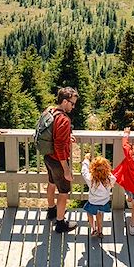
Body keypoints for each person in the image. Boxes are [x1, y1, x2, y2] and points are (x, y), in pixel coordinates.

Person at [44, 87, 79, 234]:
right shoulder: (64, 119)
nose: (73, 106)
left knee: (52, 183)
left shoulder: (50, 111)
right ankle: (60, 223)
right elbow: (59, 146)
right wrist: (66, 169)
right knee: (64, 192)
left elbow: (54, 135)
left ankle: (51, 211)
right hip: (59, 161)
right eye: (72, 103)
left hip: (48, 157)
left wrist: (66, 137)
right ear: (65, 101)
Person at [81, 153, 116, 238]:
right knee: (99, 214)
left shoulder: (90, 179)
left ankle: (93, 229)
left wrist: (86, 160)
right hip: (104, 202)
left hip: (93, 202)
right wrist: (107, 173)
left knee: (89, 213)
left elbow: (84, 171)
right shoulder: (110, 179)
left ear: (93, 168)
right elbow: (113, 178)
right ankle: (100, 231)